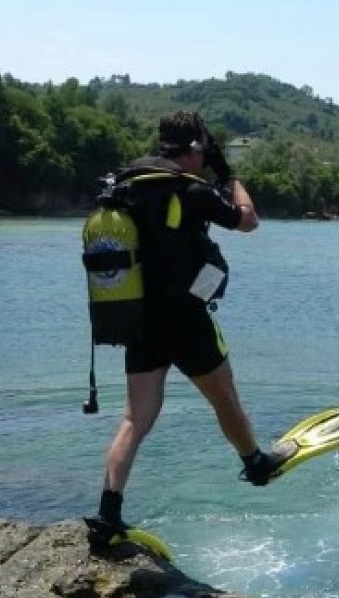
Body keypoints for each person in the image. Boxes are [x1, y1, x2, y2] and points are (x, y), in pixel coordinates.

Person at [89, 111, 280, 549]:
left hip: (138, 317)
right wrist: (230, 178)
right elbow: (248, 221)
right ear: (195, 149)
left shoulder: (127, 184)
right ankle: (255, 462)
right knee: (223, 395)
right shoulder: (193, 190)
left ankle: (108, 513)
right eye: (203, 149)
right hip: (186, 318)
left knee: (135, 418)